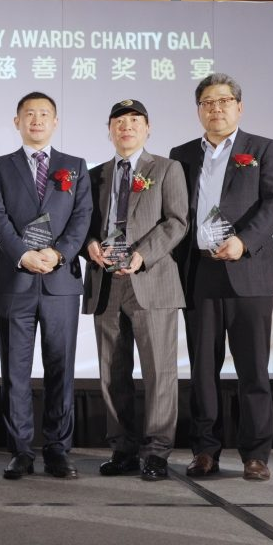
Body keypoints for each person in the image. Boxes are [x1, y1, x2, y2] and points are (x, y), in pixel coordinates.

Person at [169, 73, 273, 482]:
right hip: (199, 270)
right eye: (207, 102)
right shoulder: (182, 153)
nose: (215, 109)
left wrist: (244, 241)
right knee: (203, 368)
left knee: (253, 368)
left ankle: (255, 455)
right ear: (198, 110)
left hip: (248, 270)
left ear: (239, 106)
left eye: (223, 101)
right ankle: (205, 451)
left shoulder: (263, 148)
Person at [0, 92, 91, 479]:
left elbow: (82, 217)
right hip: (16, 279)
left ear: (55, 121)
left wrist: (59, 254)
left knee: (61, 367)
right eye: (29, 114)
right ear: (17, 122)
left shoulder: (74, 166)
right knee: (15, 370)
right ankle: (21, 450)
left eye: (44, 114)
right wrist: (22, 254)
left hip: (60, 283)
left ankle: (58, 449)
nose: (37, 120)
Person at [82, 100, 187, 481]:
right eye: (119, 121)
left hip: (151, 281)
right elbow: (84, 224)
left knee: (159, 371)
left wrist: (142, 255)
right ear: (109, 129)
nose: (126, 127)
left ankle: (157, 451)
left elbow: (177, 221)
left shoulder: (167, 168)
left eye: (134, 120)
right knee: (113, 372)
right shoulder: (95, 174)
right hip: (106, 283)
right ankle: (123, 448)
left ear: (148, 127)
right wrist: (90, 245)